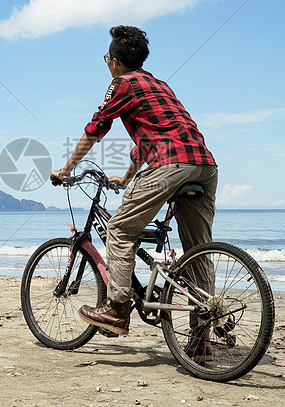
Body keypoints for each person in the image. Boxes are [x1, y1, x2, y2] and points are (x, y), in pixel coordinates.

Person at [51, 25, 218, 359]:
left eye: (105, 58)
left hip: (170, 165)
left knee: (120, 229)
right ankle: (201, 339)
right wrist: (128, 177)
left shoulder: (121, 83)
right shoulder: (160, 85)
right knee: (199, 249)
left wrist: (66, 169)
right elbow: (156, 135)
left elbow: (96, 127)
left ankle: (116, 308)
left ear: (113, 61)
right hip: (205, 166)